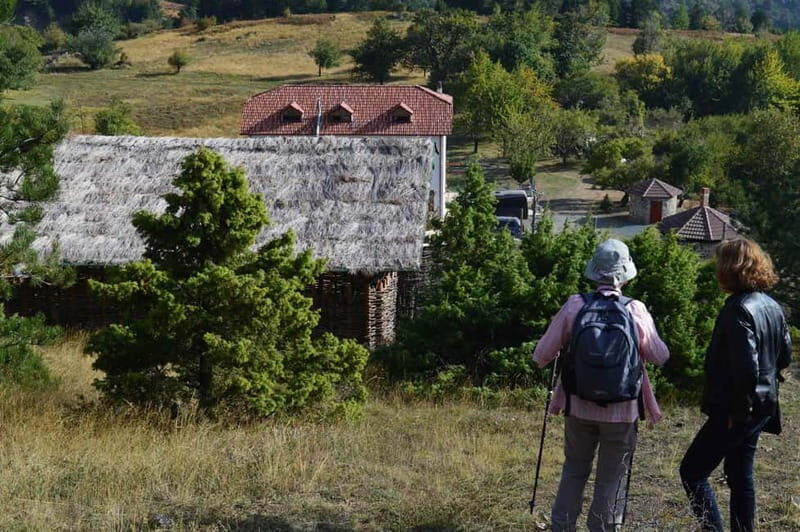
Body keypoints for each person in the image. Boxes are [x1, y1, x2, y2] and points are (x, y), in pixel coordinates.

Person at [533, 238, 669, 532]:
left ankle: (562, 526)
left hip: (578, 405)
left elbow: (541, 355)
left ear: (594, 272)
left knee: (574, 470)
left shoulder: (575, 305)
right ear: (626, 275)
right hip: (623, 410)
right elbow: (660, 356)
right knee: (612, 477)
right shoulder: (635, 309)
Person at [680, 238, 792, 532]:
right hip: (763, 406)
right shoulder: (773, 306)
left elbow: (746, 368)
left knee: (692, 471)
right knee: (740, 474)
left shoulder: (738, 310)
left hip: (737, 409)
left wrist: (736, 411)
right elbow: (784, 356)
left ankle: (712, 529)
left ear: (730, 269)